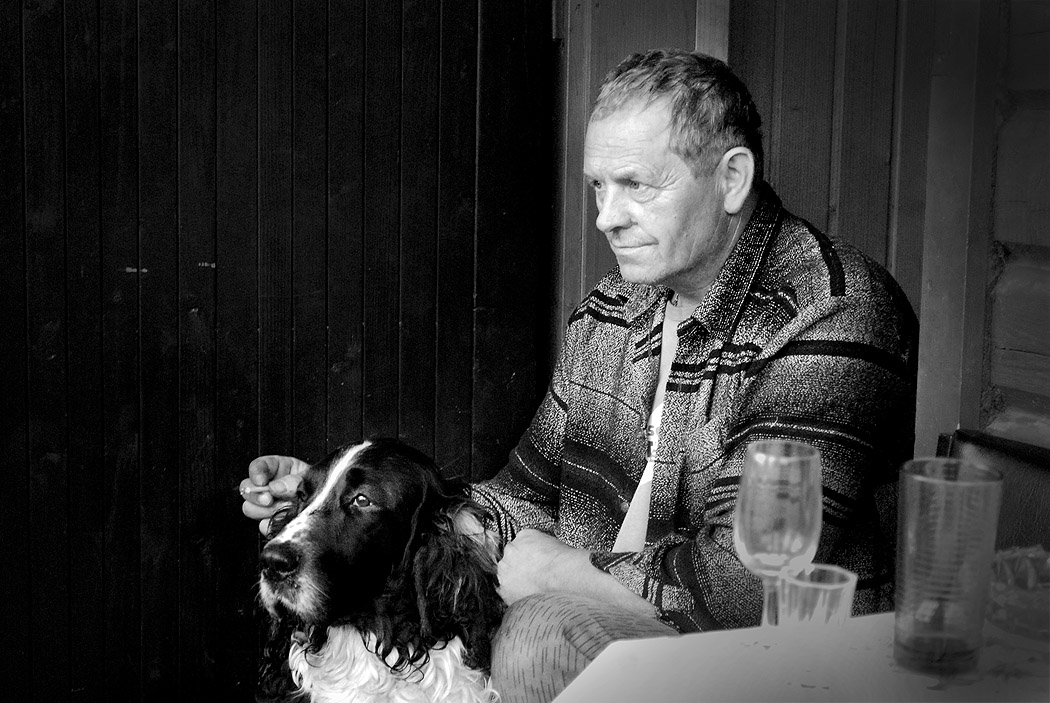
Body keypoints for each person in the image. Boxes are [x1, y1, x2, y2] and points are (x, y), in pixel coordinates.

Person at [241, 48, 918, 703]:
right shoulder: (611, 311)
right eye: (598, 185)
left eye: (636, 185)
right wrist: (349, 503)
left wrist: (555, 569)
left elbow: (745, 588)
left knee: (535, 636)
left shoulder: (830, 312)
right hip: (610, 633)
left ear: (732, 178)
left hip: (776, 663)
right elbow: (519, 499)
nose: (605, 217)